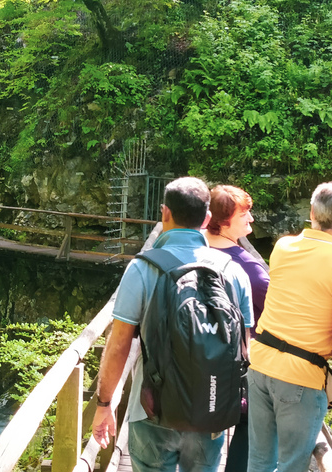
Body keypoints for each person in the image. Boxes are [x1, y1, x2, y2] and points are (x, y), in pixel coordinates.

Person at [92, 177, 253, 472]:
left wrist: (104, 405)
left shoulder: (142, 268)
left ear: (164, 213)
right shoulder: (234, 272)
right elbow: (244, 347)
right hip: (212, 408)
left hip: (153, 408)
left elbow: (118, 345)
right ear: (207, 219)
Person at [247, 182, 332, 472]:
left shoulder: (284, 246)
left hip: (260, 363)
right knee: (291, 466)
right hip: (300, 376)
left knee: (259, 461)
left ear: (311, 212)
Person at [202, 185, 270, 472]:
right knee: (251, 423)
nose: (251, 219)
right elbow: (275, 309)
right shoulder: (247, 267)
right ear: (224, 220)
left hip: (191, 359)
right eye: (245, 213)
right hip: (234, 367)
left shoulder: (192, 248)